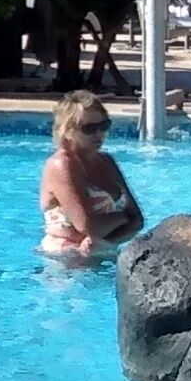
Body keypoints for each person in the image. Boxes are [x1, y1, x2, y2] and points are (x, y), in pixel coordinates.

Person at [41, 92, 145, 260]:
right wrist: (122, 217)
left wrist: (106, 243)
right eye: (89, 128)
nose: (99, 134)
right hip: (65, 258)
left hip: (104, 250)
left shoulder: (107, 162)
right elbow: (88, 226)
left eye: (104, 125)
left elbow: (138, 220)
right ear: (67, 131)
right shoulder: (61, 165)